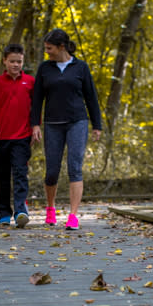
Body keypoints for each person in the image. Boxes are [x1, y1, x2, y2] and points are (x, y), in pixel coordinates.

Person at [30, 29, 102, 230]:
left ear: (61, 47)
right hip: (53, 124)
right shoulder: (45, 68)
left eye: (49, 48)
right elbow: (37, 99)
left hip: (77, 121)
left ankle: (73, 215)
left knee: (74, 167)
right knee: (52, 170)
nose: (47, 52)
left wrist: (97, 125)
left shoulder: (81, 67)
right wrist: (35, 124)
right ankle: (51, 209)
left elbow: (91, 97)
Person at [0, 44, 34, 228]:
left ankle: (21, 210)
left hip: (22, 137)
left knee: (21, 173)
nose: (15, 65)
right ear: (4, 61)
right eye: (12, 61)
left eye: (19, 61)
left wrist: (36, 127)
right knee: (1, 176)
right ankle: (3, 212)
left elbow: (34, 109)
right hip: (0, 138)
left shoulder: (30, 82)